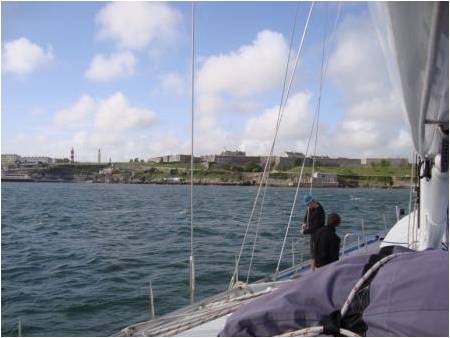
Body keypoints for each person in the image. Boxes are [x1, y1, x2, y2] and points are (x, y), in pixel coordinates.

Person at [300, 193, 325, 269]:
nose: (307, 206)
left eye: (308, 205)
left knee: (313, 253)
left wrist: (304, 232)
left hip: (318, 234)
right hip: (314, 233)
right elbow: (307, 214)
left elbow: (315, 227)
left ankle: (313, 270)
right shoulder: (313, 206)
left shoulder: (318, 212)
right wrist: (304, 222)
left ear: (311, 202)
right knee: (314, 253)